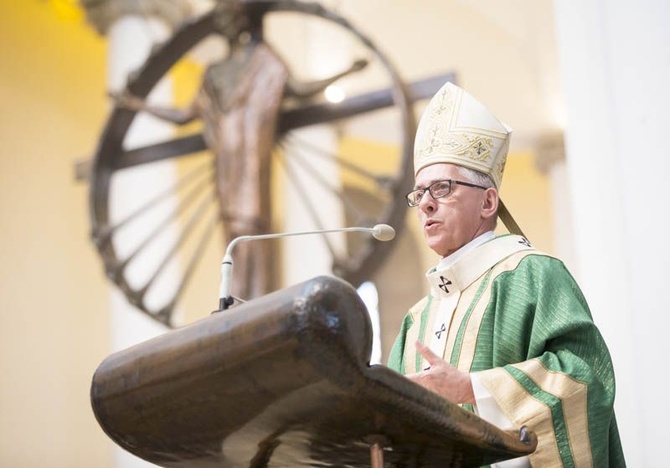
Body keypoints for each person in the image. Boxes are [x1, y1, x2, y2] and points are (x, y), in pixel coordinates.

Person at [387, 82, 625, 466]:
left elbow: (585, 378)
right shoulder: (416, 319)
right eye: (419, 194)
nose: (427, 204)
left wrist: (472, 388)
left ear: (488, 201)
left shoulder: (533, 276)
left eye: (442, 188)